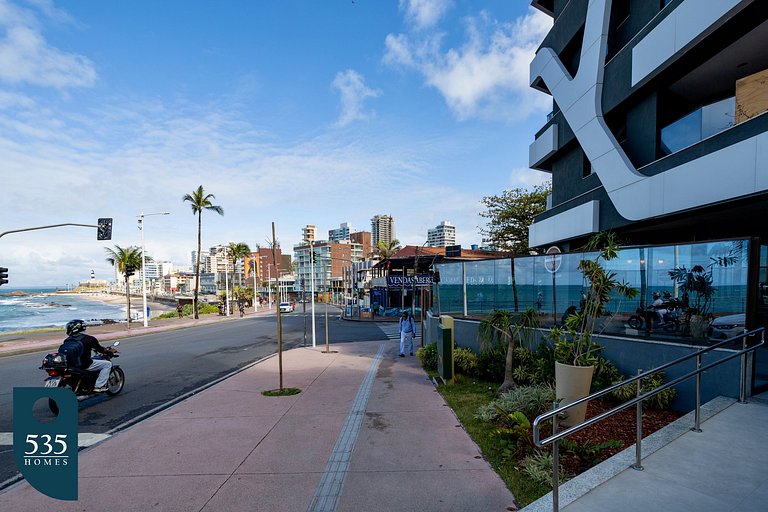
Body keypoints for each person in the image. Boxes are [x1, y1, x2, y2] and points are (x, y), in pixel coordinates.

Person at [64, 319, 115, 392]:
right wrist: (109, 351)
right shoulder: (89, 339)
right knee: (107, 364)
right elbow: (100, 349)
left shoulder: (67, 340)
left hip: (71, 364)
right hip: (85, 365)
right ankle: (99, 386)